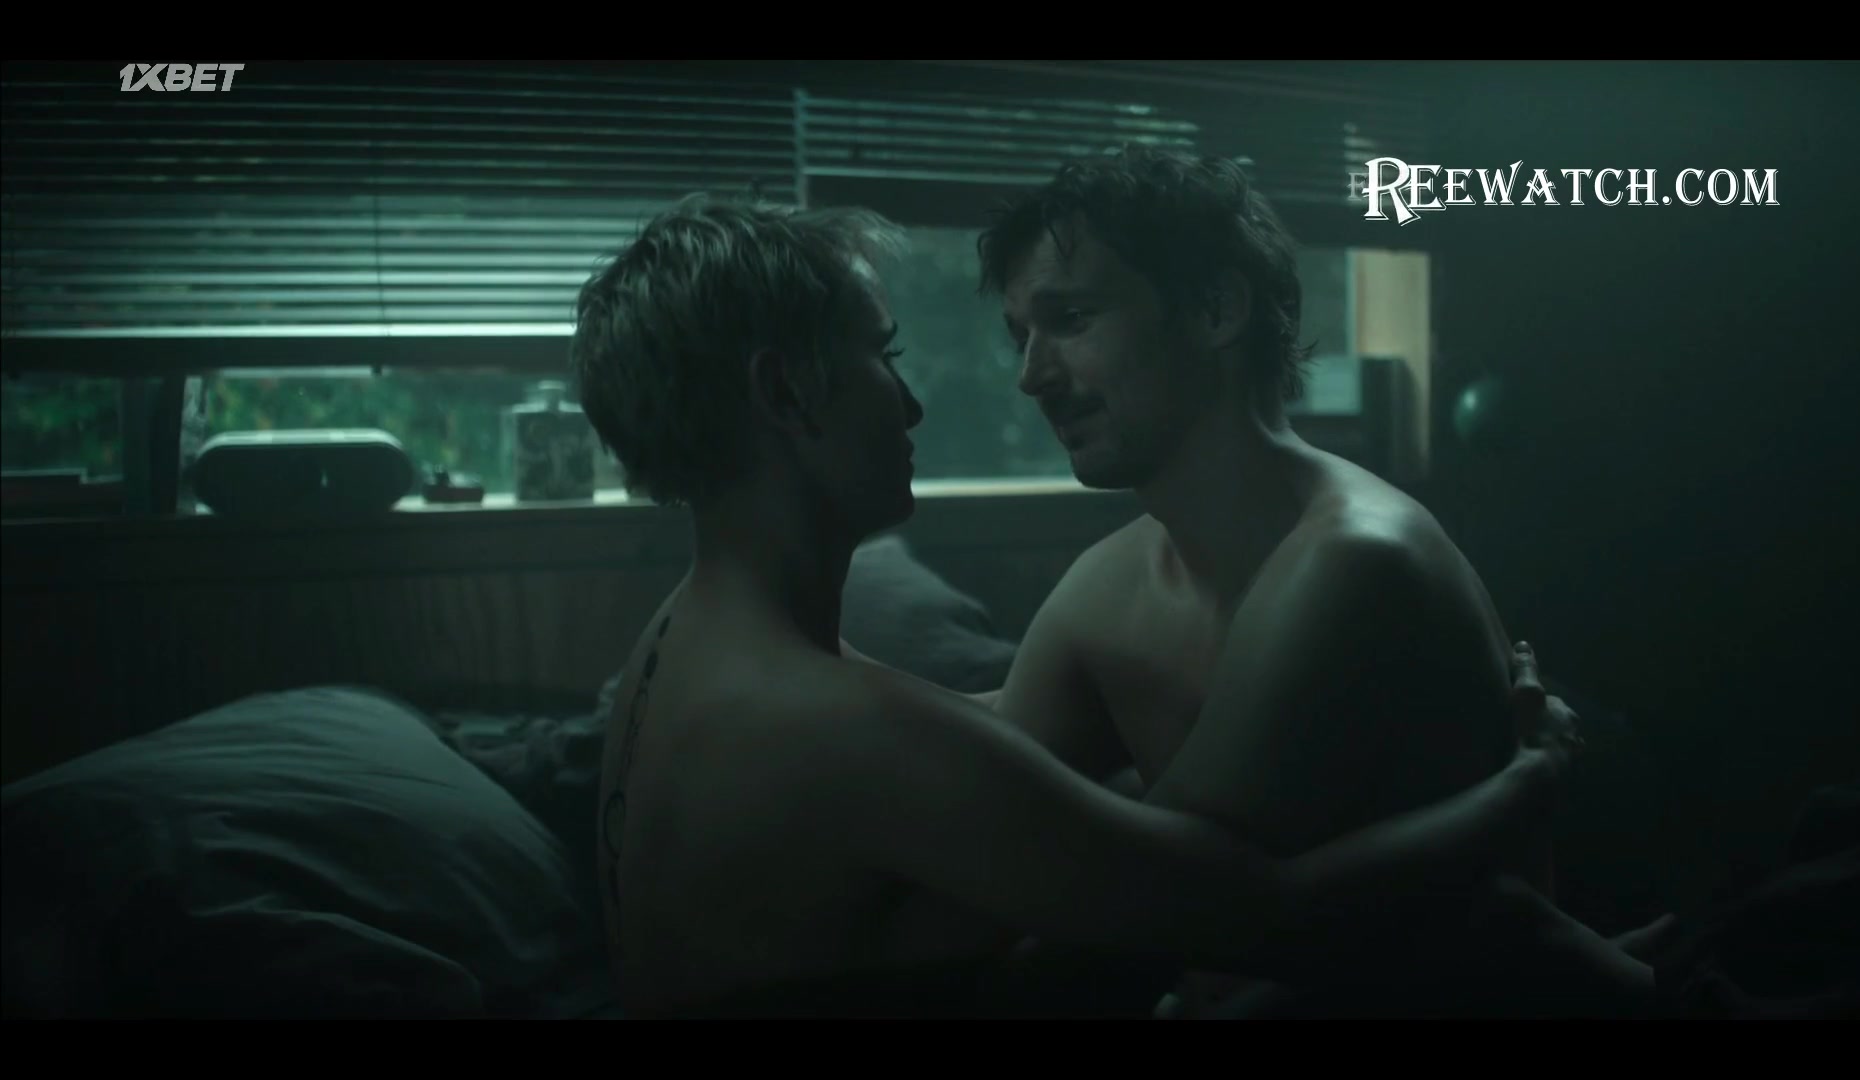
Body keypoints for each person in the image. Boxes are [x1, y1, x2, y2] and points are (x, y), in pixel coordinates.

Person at [572, 194, 1627, 1018]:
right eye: (883, 358)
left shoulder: (681, 642)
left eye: (1070, 321)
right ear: (784, 394)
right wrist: (1527, 787)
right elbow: (1257, 912)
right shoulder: (833, 724)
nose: (913, 402)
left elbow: (970, 761)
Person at [972, 144, 1657, 1013]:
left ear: (1215, 308)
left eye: (1070, 320)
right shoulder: (1109, 584)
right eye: (1020, 337)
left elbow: (1166, 900)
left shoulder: (1355, 559)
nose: (1031, 376)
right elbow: (978, 807)